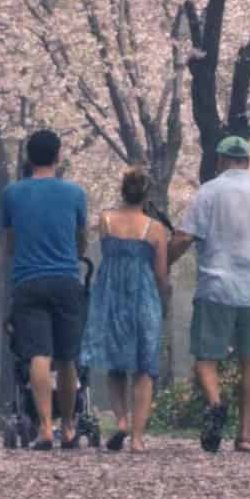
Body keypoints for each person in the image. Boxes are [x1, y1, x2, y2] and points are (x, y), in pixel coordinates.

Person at [171, 134, 250, 454]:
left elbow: (184, 237)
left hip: (216, 286)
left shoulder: (209, 192)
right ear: (248, 160)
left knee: (206, 359)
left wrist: (160, 262)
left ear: (219, 160)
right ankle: (244, 435)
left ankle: (216, 404)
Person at [0, 129, 90, 450]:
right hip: (66, 279)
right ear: (58, 155)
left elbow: (9, 241)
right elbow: (81, 239)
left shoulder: (12, 193)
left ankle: (45, 428)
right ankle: (69, 428)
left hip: (28, 280)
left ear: (27, 157)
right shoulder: (75, 194)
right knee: (66, 359)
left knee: (38, 354)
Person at [79, 168, 168, 451]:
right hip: (142, 296)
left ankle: (120, 420)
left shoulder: (106, 220)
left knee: (116, 364)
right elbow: (161, 273)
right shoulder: (154, 229)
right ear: (146, 194)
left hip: (110, 294)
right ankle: (138, 438)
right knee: (144, 367)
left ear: (122, 190)